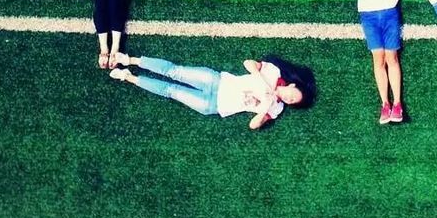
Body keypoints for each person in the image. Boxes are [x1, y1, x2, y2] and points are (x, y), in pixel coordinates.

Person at [109, 54, 307, 130]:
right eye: (292, 95)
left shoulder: (276, 109)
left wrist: (264, 108)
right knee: (174, 71)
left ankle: (129, 77)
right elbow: (247, 63)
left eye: (291, 101)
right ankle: (131, 60)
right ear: (290, 85)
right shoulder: (274, 73)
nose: (287, 99)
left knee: (171, 90)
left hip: (214, 106)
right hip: (217, 81)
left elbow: (253, 126)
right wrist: (262, 82)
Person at [346, 0, 406, 124]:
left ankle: (397, 103)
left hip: (389, 11)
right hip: (368, 15)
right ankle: (384, 104)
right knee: (378, 59)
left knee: (392, 58)